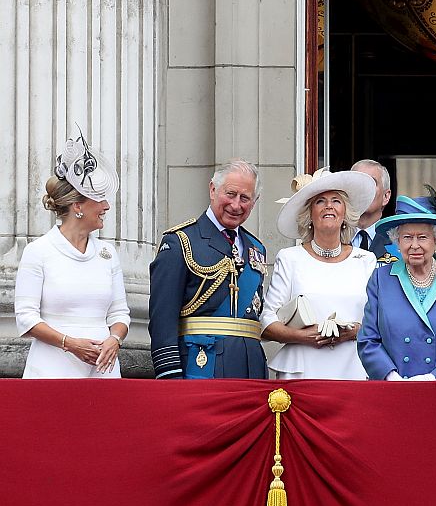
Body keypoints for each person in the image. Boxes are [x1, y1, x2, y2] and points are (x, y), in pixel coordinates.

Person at [14, 134, 130, 378]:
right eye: (99, 199)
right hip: (52, 370)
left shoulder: (108, 253)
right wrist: (70, 343)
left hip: (103, 371)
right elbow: (26, 317)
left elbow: (120, 314)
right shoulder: (39, 252)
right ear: (77, 206)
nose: (106, 206)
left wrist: (115, 339)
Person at [149, 159, 268, 379]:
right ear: (213, 190)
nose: (236, 205)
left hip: (250, 368)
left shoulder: (256, 248)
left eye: (245, 198)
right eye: (230, 194)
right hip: (201, 366)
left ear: (255, 201)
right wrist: (170, 377)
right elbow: (162, 319)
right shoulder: (181, 242)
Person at [260, 169, 378, 379]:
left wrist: (355, 331)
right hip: (302, 373)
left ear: (345, 215)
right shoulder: (290, 258)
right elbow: (267, 321)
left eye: (336, 200)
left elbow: (379, 321)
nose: (329, 206)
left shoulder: (366, 260)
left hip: (353, 371)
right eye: (320, 201)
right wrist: (302, 336)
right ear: (310, 216)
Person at [358, 187, 436, 380]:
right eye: (407, 237)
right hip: (393, 390)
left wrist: (434, 377)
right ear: (397, 241)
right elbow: (368, 339)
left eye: (422, 237)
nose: (414, 245)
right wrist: (390, 376)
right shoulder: (381, 279)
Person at [349, 159, 394, 260]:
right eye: (357, 183)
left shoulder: (398, 243)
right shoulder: (332, 239)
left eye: (371, 182)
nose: (363, 188)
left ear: (386, 196)